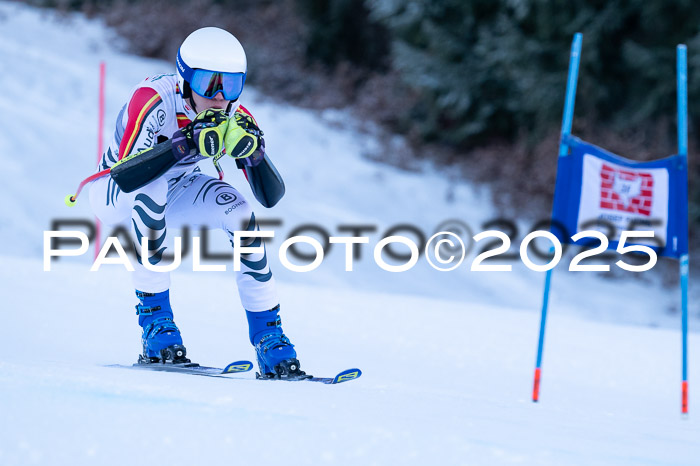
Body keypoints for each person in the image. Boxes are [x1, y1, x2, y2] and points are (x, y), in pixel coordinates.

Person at [70, 27, 303, 379]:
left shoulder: (234, 115)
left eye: (232, 85)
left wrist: (254, 154)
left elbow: (270, 197)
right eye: (209, 83)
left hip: (177, 188)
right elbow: (128, 176)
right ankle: (156, 328)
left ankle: (269, 338)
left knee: (239, 212)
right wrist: (184, 144)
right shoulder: (152, 100)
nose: (220, 97)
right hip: (115, 189)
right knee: (153, 191)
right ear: (184, 80)